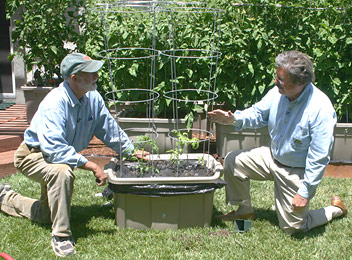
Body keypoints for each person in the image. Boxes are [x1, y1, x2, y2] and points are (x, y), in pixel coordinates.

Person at [0, 53, 147, 257]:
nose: (96, 75)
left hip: (55, 154)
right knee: (62, 173)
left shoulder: (92, 98)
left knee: (45, 214)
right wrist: (92, 165)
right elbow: (54, 149)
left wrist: (131, 151)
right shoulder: (55, 102)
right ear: (74, 78)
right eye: (90, 73)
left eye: (96, 71)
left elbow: (108, 130)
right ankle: (61, 236)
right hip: (34, 155)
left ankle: (5, 197)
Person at [208, 50, 348, 234]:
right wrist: (234, 119)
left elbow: (319, 157)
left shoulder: (320, 110)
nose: (276, 83)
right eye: (277, 77)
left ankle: (335, 210)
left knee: (294, 228)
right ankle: (244, 213)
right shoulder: (278, 92)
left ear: (300, 83)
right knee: (233, 161)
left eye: (281, 81)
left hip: (296, 170)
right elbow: (258, 114)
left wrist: (304, 192)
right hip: (272, 157)